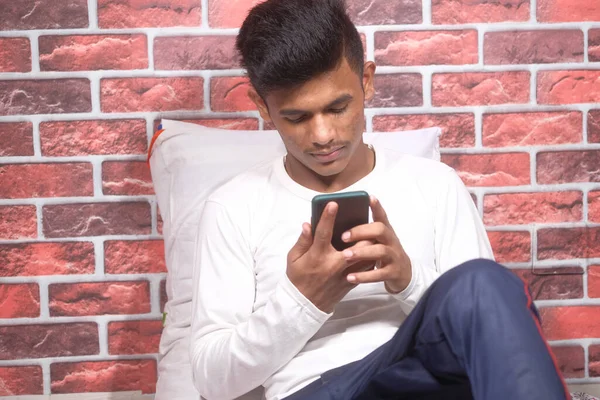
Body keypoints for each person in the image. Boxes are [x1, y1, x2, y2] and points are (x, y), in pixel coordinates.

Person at [189, 0, 570, 399]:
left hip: (427, 378)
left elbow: (490, 328)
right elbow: (214, 384)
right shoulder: (233, 207)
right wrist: (300, 299)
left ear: (366, 81)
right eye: (297, 118)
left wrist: (406, 279)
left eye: (338, 108)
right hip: (318, 390)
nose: (322, 135)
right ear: (261, 106)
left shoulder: (435, 184)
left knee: (483, 285)